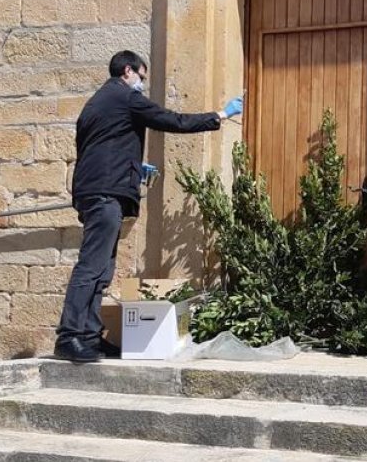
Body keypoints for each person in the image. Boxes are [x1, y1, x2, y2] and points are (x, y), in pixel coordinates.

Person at [56, 50, 244, 362]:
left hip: (98, 190)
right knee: (91, 267)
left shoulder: (96, 103)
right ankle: (70, 336)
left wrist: (133, 167)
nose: (142, 84)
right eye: (141, 77)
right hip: (105, 194)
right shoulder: (125, 97)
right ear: (128, 71)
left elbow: (99, 146)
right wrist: (220, 116)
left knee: (103, 269)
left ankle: (88, 335)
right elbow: (171, 120)